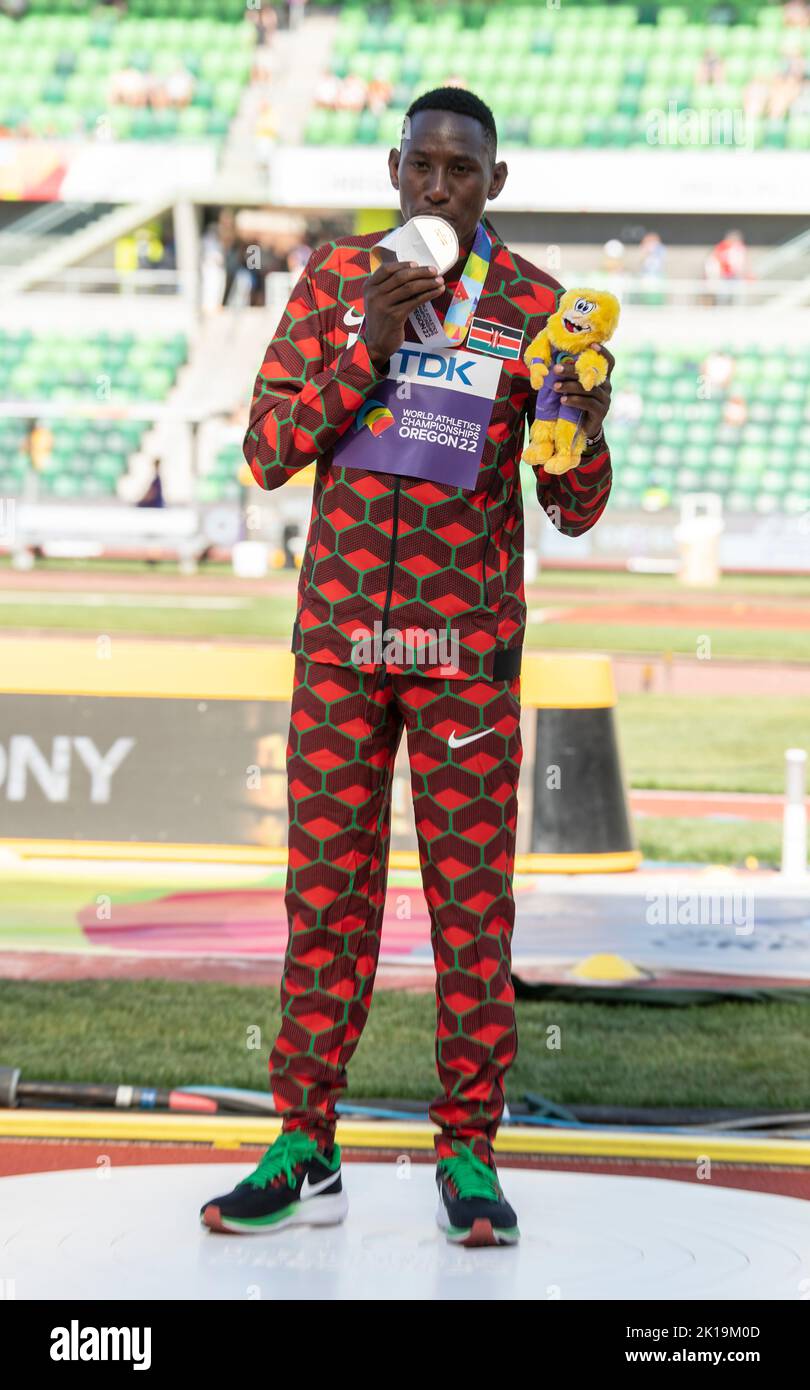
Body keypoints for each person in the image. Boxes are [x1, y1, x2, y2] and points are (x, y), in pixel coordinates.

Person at [200, 87, 614, 1249]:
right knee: (322, 900)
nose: (439, 187)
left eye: (462, 172)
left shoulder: (535, 305)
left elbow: (572, 507)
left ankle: (470, 1152)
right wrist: (366, 355)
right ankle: (304, 1143)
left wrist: (583, 419)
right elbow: (270, 449)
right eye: (422, 166)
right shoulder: (338, 283)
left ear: (496, 184)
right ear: (394, 169)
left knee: (469, 912)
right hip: (341, 646)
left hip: (465, 657)